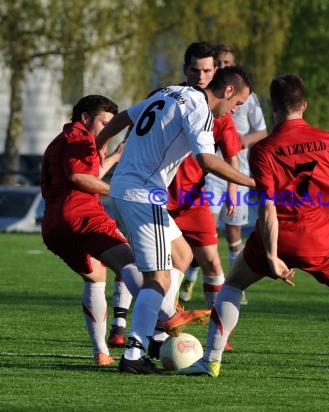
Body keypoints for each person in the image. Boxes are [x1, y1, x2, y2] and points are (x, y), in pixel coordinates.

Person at [180, 74, 329, 385]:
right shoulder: (328, 139)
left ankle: (211, 362)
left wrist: (271, 255)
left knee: (233, 285)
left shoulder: (263, 149)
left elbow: (267, 207)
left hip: (279, 238)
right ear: (304, 104)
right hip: (323, 239)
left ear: (273, 108)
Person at [96, 66, 255, 374]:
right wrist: (251, 183)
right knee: (158, 279)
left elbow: (124, 117)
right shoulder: (201, 108)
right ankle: (135, 353)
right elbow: (206, 160)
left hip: (126, 190)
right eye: (237, 104)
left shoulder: (171, 91)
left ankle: (158, 331)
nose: (234, 110)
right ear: (228, 91)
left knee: (181, 253)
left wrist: (101, 142)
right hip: (143, 195)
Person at [40, 95, 142, 366]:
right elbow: (79, 178)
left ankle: (101, 352)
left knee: (97, 277)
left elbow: (86, 173)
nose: (108, 128)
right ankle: (164, 321)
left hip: (54, 224)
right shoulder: (82, 137)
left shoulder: (62, 139)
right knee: (131, 262)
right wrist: (120, 191)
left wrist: (115, 156)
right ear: (86, 118)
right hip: (81, 214)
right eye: (104, 122)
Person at [195, 44, 268, 305]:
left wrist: (242, 140)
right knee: (206, 228)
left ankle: (237, 284)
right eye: (220, 62)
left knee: (234, 232)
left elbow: (262, 131)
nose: (223, 66)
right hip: (212, 170)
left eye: (227, 62)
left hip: (236, 167)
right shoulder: (201, 100)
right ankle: (194, 281)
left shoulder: (249, 99)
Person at [171, 42, 241, 311]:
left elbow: (231, 155)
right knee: (145, 264)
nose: (200, 77)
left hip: (193, 198)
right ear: (185, 69)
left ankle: (219, 330)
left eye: (207, 71)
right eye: (195, 70)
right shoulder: (168, 97)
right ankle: (123, 327)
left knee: (212, 262)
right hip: (157, 195)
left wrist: (232, 189)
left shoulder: (220, 112)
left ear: (215, 71)